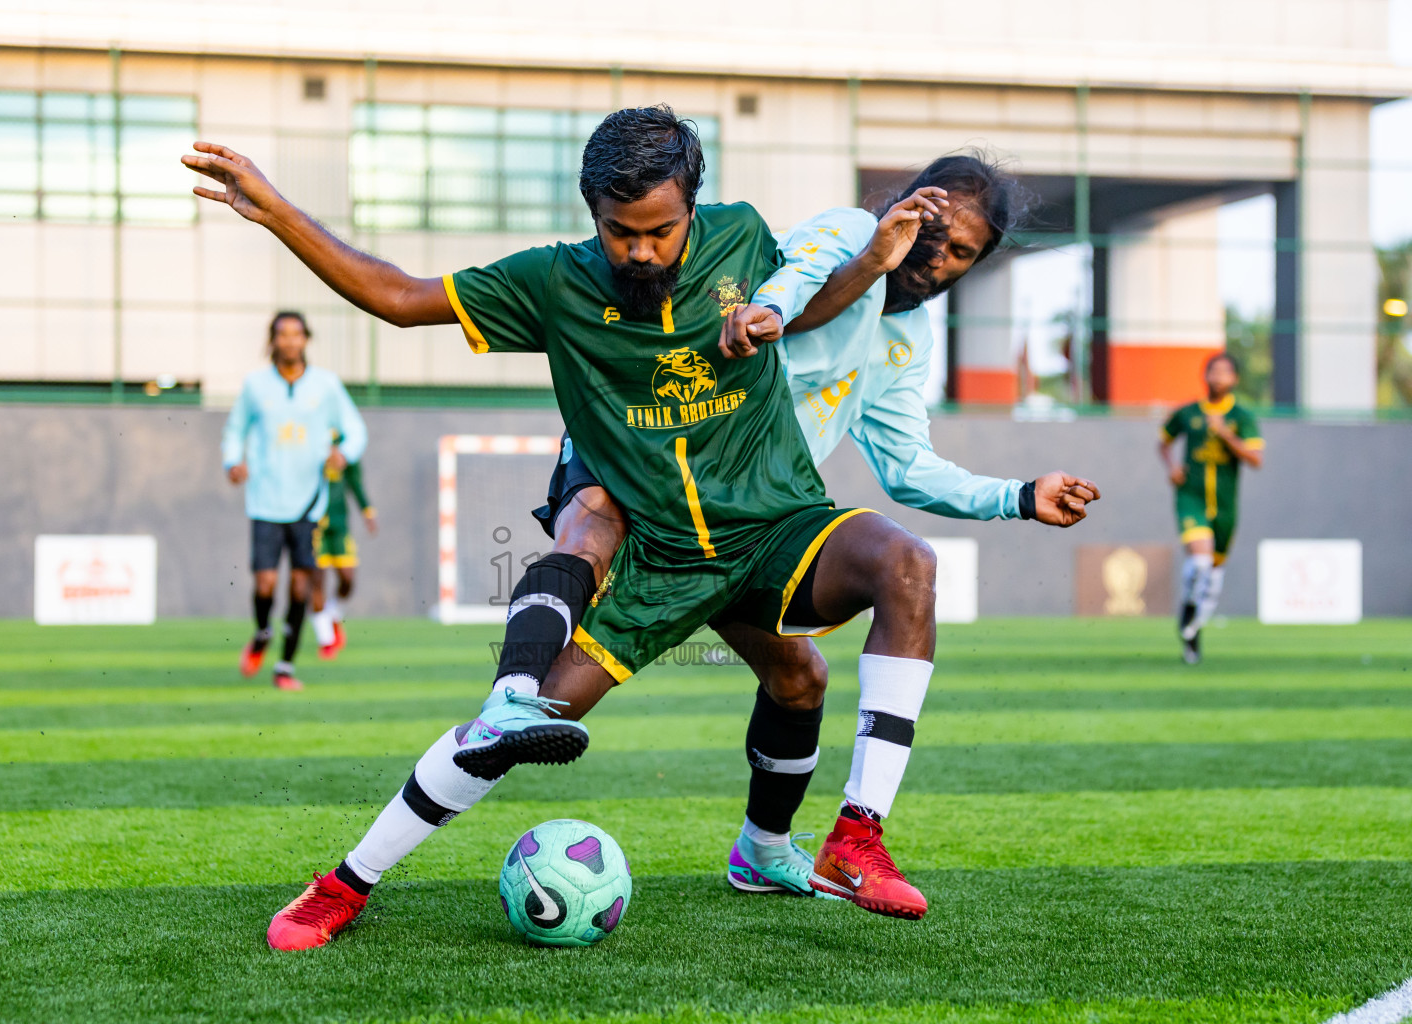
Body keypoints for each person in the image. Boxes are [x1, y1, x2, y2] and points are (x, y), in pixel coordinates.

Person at [186, 105, 955, 949]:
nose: (640, 251)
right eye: (620, 231)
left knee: (900, 570)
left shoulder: (741, 238)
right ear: (592, 211)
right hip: (659, 560)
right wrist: (281, 212)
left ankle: (846, 839)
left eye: (660, 231)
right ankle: (343, 885)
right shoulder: (555, 282)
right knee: (511, 734)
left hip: (776, 520)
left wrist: (874, 266)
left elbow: (802, 313)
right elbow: (400, 299)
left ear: (693, 207)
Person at [523, 152, 1101, 906]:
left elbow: (906, 467)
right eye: (936, 233)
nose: (940, 259)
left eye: (964, 252)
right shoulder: (846, 233)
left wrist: (1020, 495)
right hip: (654, 473)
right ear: (907, 206)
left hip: (748, 526)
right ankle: (365, 865)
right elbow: (784, 290)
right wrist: (783, 304)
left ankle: (774, 850)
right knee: (538, 699)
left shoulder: (909, 338)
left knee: (800, 676)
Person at [221, 311, 368, 690]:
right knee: (266, 584)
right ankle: (263, 633)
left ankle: (284, 666)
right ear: (272, 340)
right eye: (282, 334)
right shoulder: (255, 386)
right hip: (266, 502)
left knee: (301, 588)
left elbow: (355, 430)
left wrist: (345, 454)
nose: (289, 340)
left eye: (296, 334)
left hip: (309, 504)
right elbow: (234, 430)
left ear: (306, 340)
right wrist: (232, 461)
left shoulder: (326, 385)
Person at [1158, 352, 1264, 664]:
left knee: (1213, 577)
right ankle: (1189, 619)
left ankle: (1192, 631)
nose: (1218, 377)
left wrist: (1225, 433)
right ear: (1205, 376)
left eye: (1225, 372)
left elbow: (1256, 459)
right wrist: (1172, 466)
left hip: (1226, 506)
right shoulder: (1188, 413)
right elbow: (1163, 441)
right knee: (1200, 562)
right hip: (1191, 497)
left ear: (1235, 380)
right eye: (1213, 371)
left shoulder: (1242, 417)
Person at [311, 432, 376, 659]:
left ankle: (333, 614)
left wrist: (367, 511)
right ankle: (326, 640)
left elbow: (355, 482)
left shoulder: (347, 443)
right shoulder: (310, 437)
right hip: (313, 526)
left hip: (339, 526)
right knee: (316, 581)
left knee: (347, 579)